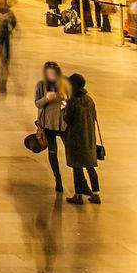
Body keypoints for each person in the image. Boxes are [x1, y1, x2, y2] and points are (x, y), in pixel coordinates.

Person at [62, 73, 101, 205]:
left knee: (77, 167)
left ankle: (78, 196)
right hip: (89, 137)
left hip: (76, 138)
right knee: (90, 166)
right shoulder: (89, 100)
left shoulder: (73, 101)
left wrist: (64, 110)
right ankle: (96, 194)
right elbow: (94, 116)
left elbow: (67, 118)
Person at [34, 62, 68, 194]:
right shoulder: (41, 85)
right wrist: (46, 98)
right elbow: (37, 103)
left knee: (71, 150)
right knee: (52, 152)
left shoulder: (64, 84)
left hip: (62, 123)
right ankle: (57, 178)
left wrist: (63, 100)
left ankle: (81, 180)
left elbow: (68, 102)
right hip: (48, 124)